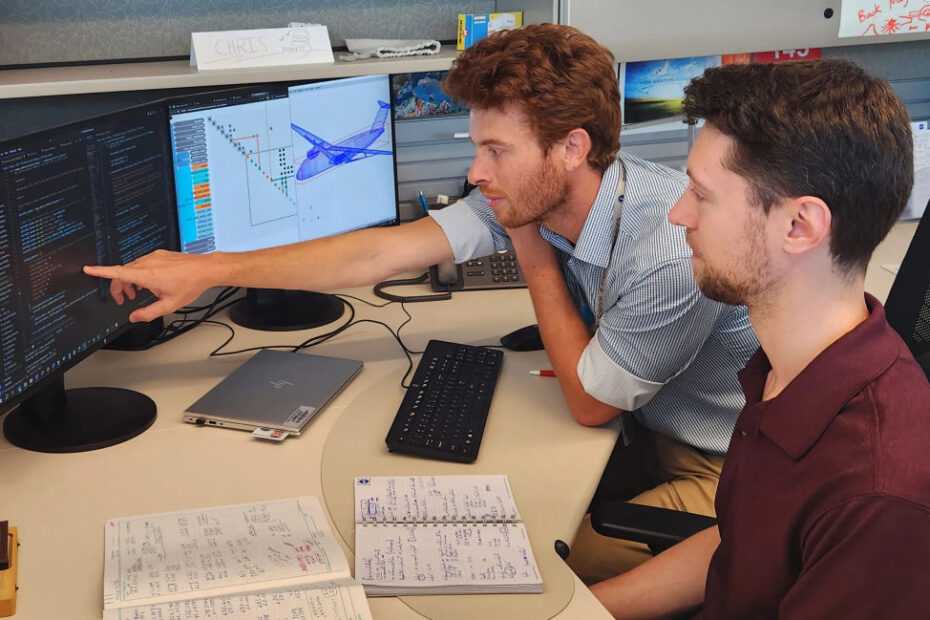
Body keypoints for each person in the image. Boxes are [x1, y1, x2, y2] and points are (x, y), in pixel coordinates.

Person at [83, 24, 757, 580]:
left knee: (535, 559)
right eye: (475, 147)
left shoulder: (664, 246)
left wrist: (527, 249)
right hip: (651, 430)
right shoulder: (537, 191)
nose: (475, 172)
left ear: (571, 148)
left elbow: (589, 404)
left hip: (724, 464)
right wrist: (211, 269)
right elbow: (378, 255)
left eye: (496, 149)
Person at [591, 58, 930, 618]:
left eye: (702, 195)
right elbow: (742, 545)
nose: (678, 215)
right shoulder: (782, 371)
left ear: (799, 226)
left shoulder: (877, 496)